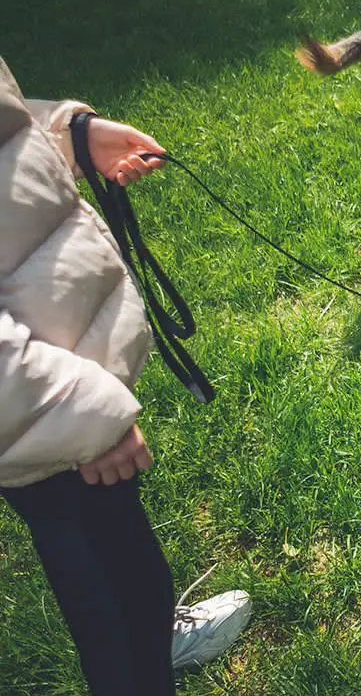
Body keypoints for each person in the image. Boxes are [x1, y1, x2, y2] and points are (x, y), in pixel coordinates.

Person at [0, 57, 251, 695]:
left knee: (115, 556)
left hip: (46, 380)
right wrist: (74, 414)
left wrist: (65, 134)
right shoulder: (63, 414)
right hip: (37, 400)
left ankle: (149, 642)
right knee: (113, 588)